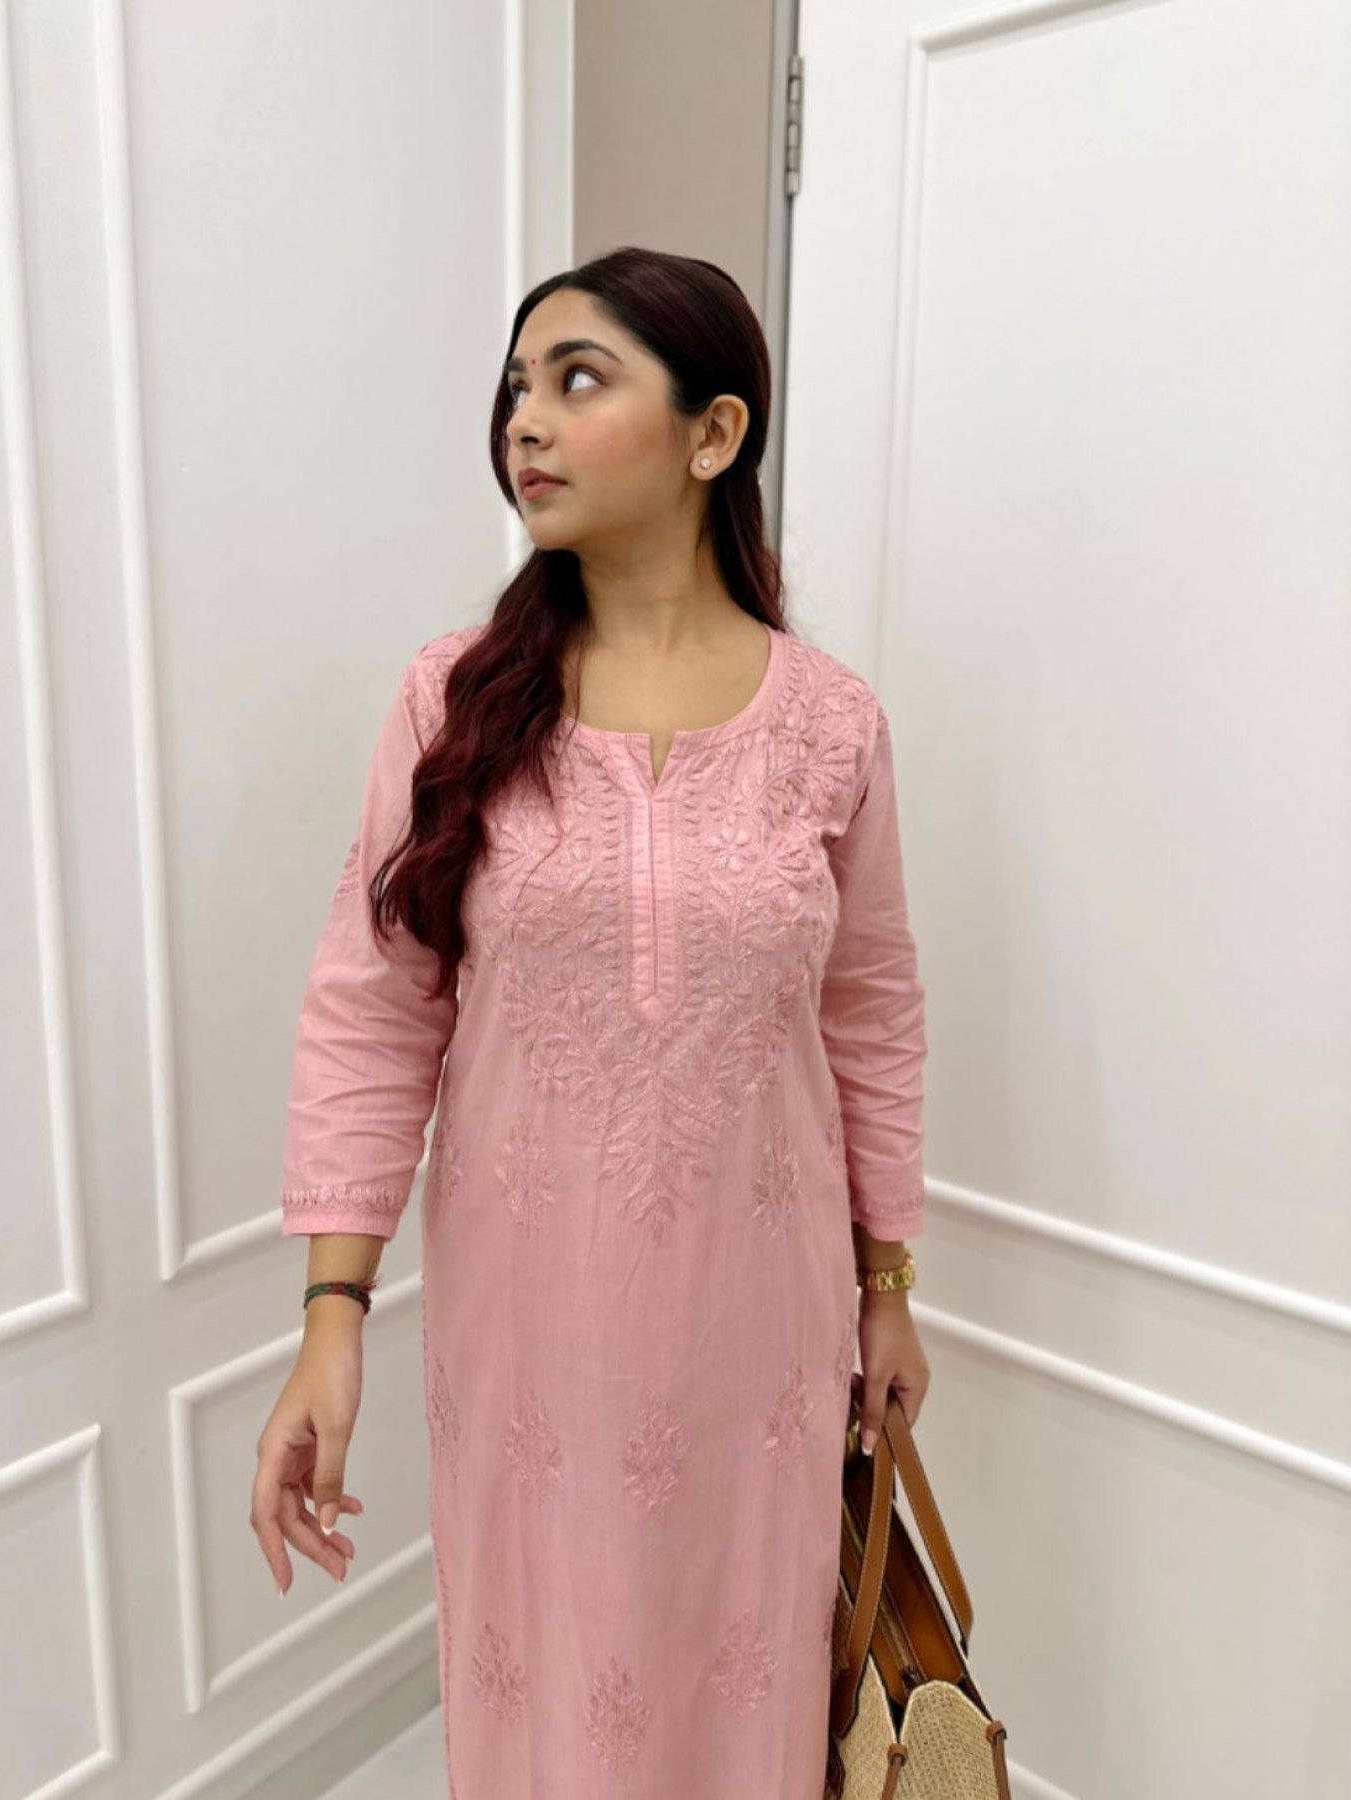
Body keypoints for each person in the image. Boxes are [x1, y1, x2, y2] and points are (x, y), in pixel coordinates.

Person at [250, 245, 931, 1798]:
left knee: (742, 1673)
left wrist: (888, 1284)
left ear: (714, 434)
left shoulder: (833, 726)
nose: (526, 422)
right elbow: (372, 1010)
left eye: (577, 380)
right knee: (547, 1679)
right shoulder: (454, 702)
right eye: (516, 388)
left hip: (759, 1324)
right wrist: (331, 1318)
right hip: (528, 1330)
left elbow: (873, 1015)